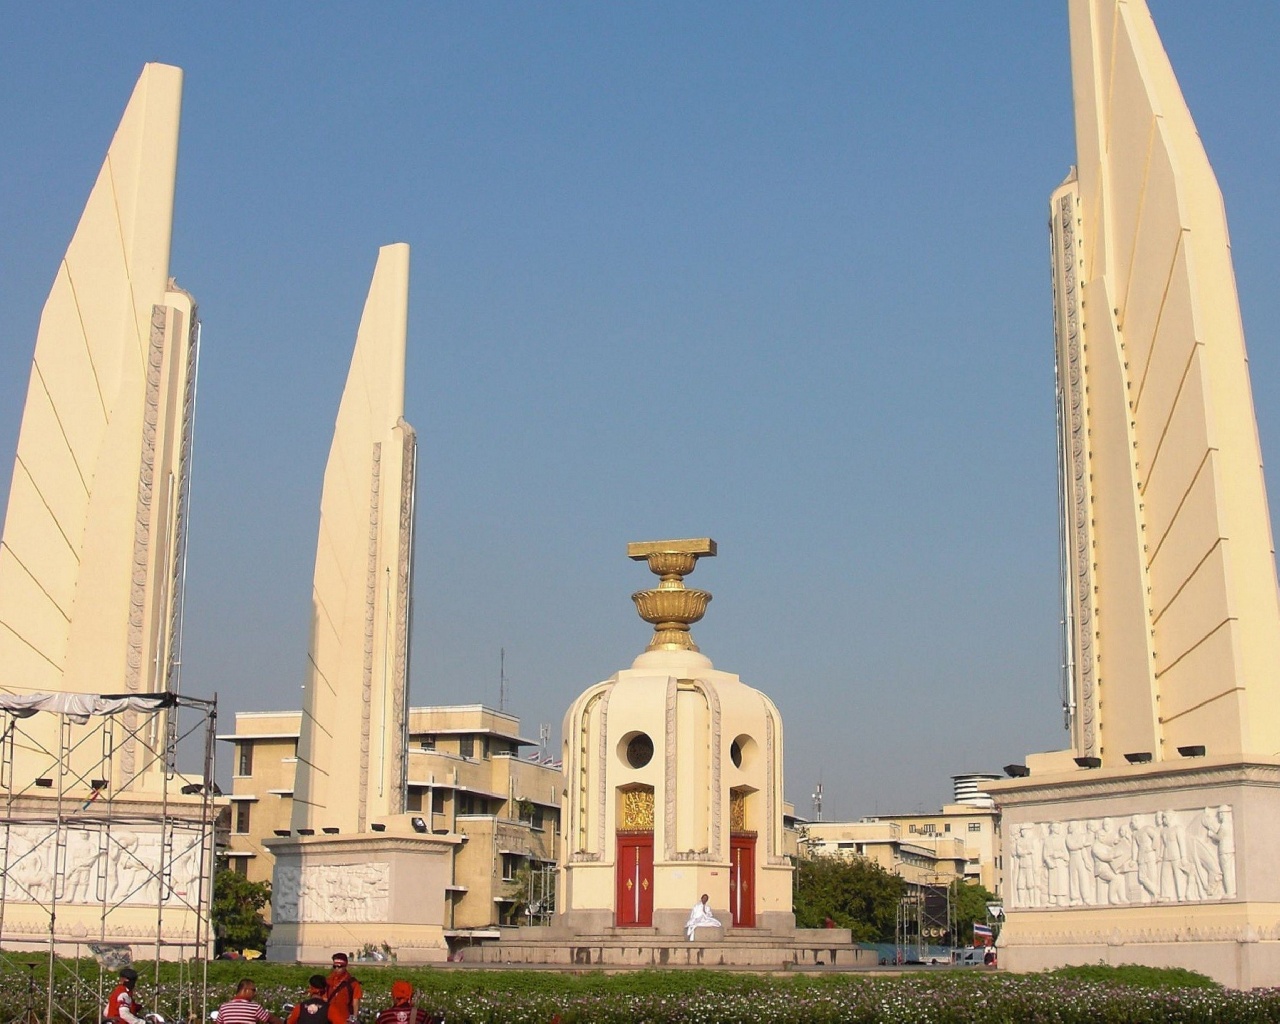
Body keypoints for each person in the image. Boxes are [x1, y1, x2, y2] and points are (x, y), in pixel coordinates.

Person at [217, 979, 283, 1024]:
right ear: (246, 990)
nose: (255, 993)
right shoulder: (254, 1007)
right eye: (253, 990)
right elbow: (271, 1019)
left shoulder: (224, 1007)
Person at [325, 953, 363, 1023]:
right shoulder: (328, 981)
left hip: (345, 1018)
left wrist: (354, 1018)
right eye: (334, 966)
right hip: (329, 1018)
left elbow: (356, 1002)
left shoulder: (353, 983)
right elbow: (324, 999)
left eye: (339, 966)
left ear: (345, 966)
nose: (337, 969)